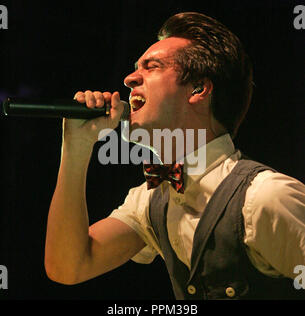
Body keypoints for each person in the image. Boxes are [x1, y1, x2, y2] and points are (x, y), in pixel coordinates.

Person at [44, 12, 305, 299]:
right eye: (135, 68)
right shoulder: (150, 200)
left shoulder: (267, 197)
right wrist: (76, 147)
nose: (129, 79)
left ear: (198, 89)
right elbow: (69, 267)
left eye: (151, 67)